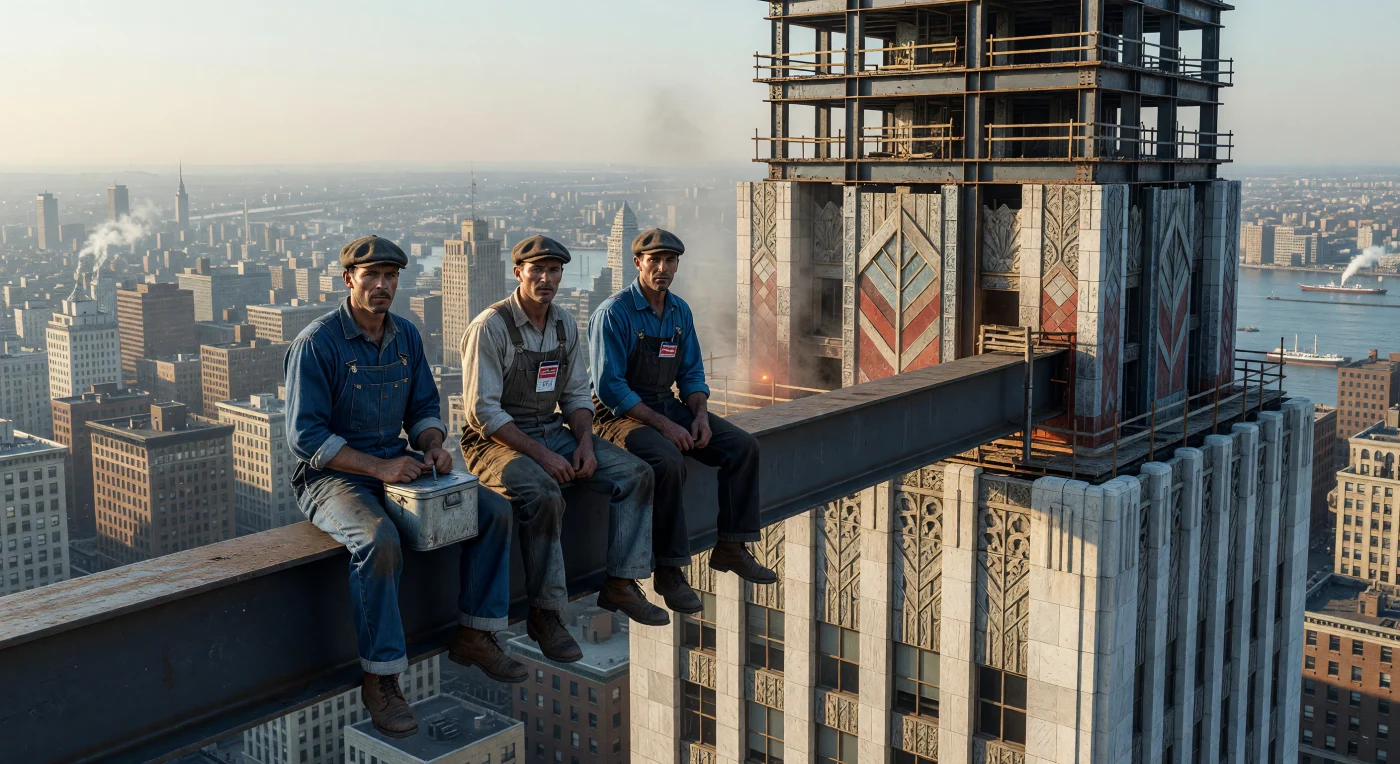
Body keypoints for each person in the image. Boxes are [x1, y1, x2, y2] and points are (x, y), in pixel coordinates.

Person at [285, 235, 525, 740]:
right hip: (332, 477)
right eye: (370, 276)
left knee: (493, 512)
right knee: (378, 542)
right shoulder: (318, 342)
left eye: (390, 276)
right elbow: (305, 436)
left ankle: (476, 634)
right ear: (347, 279)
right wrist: (379, 468)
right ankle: (383, 678)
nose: (381, 285)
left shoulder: (406, 337)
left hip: (397, 463)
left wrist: (434, 444)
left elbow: (422, 410)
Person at [459, 234, 667, 664]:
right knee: (544, 493)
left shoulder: (563, 324)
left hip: (551, 429)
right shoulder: (491, 326)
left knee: (636, 473)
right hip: (494, 442)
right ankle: (546, 612)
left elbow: (575, 396)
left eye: (554, 271)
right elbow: (483, 413)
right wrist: (543, 455)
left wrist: (586, 445)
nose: (546, 279)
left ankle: (621, 582)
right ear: (518, 273)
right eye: (536, 270)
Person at [588, 228, 776, 615]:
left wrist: (700, 415)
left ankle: (731, 546)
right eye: (653, 260)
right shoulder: (614, 313)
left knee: (742, 447)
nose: (662, 268)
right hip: (617, 415)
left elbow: (691, 374)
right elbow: (610, 389)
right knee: (668, 462)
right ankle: (669, 571)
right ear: (638, 263)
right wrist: (665, 426)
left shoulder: (678, 311)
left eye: (669, 261)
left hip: (666, 404)